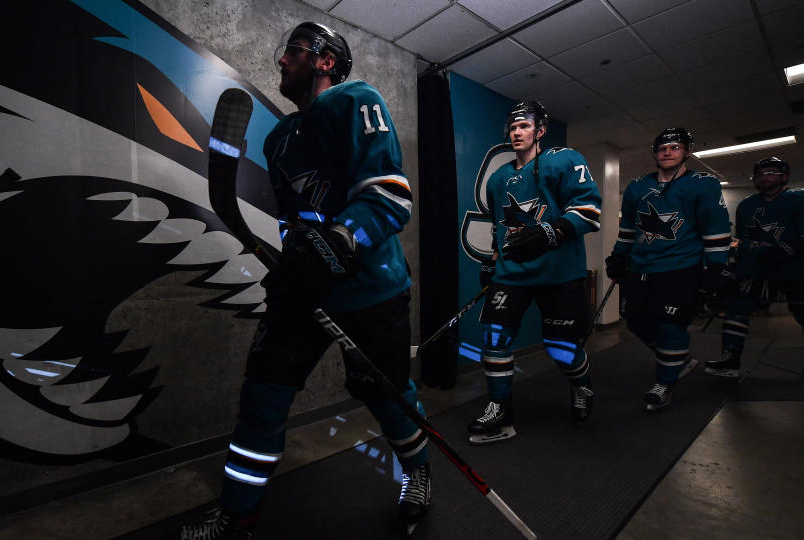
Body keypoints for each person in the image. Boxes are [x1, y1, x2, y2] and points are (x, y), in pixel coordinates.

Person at [182, 22, 429, 539]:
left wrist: (337, 242)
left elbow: (389, 195)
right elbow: (295, 219)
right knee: (262, 397)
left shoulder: (358, 101)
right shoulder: (278, 139)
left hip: (371, 291)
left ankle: (418, 472)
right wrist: (294, 260)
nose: (280, 61)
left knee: (387, 396)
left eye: (293, 51)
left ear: (325, 60)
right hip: (306, 292)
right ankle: (237, 516)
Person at [469, 101, 602, 444]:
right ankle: (500, 408)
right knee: (493, 339)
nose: (517, 132)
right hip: (511, 274)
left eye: (524, 126)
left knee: (560, 347)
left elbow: (589, 211)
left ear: (540, 131)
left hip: (559, 274)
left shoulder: (564, 160)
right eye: (513, 127)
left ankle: (582, 386)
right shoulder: (499, 178)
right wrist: (492, 261)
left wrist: (552, 231)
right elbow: (500, 226)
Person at [605, 128, 733, 411]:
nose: (667, 151)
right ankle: (678, 359)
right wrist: (617, 257)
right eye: (662, 147)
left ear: (687, 151)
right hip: (641, 267)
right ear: (654, 153)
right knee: (635, 320)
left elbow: (716, 229)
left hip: (679, 267)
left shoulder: (703, 184)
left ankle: (665, 381)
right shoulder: (638, 187)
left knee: (669, 325)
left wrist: (716, 267)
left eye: (675, 146)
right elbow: (628, 230)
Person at [705, 157, 804, 379]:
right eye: (761, 173)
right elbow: (744, 241)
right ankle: (730, 358)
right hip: (758, 269)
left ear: (784, 177)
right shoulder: (747, 205)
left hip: (800, 269)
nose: (765, 176)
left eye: (772, 172)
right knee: (736, 307)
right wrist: (739, 269)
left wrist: (784, 250)